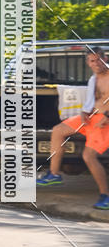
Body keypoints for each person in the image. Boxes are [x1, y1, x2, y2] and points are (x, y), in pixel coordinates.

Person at [38, 48, 109, 208]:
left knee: (88, 156)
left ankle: (106, 196)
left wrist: (107, 117)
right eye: (92, 61)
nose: (96, 63)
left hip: (105, 122)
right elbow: (91, 100)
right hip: (91, 118)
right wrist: (84, 112)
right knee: (58, 131)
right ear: (88, 63)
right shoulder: (93, 79)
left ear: (105, 58)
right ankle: (54, 174)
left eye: (99, 59)